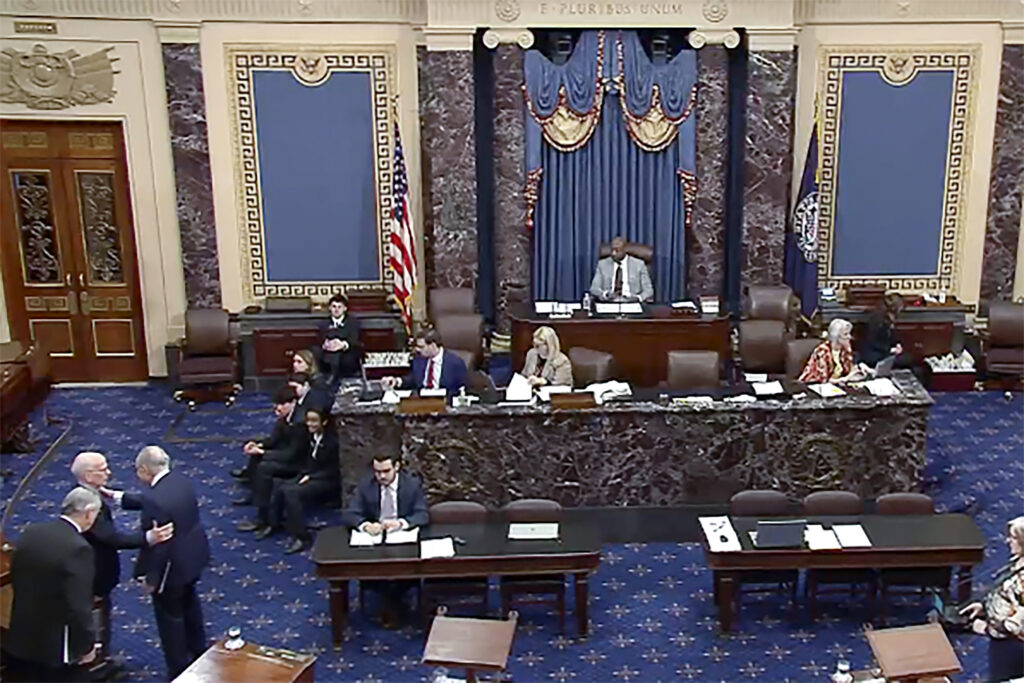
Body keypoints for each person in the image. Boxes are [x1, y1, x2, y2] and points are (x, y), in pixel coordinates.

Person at [105, 446, 211, 679]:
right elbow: (152, 500)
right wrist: (118, 496)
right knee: (191, 604)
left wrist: (151, 578)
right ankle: (200, 652)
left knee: (170, 619)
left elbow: (159, 544)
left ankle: (178, 669)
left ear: (144, 470)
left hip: (170, 569)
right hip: (193, 558)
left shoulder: (156, 500)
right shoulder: (180, 481)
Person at [70, 452, 174, 674]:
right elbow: (111, 538)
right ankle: (95, 664)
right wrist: (149, 538)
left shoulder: (87, 495)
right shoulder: (87, 505)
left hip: (98, 570)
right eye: (103, 469)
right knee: (96, 619)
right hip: (94, 574)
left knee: (102, 615)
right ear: (88, 475)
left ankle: (99, 658)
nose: (108, 472)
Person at [3, 487, 102, 682]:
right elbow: (79, 606)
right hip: (55, 646)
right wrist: (87, 645)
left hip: (22, 633)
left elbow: (17, 575)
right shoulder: (79, 548)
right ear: (89, 513)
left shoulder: (32, 532)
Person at [342, 454, 428, 627]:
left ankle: (391, 607)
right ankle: (392, 606)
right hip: (373, 541)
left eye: (386, 471)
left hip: (402, 539)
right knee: (377, 573)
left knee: (402, 572)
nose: (381, 476)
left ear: (397, 467)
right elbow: (351, 514)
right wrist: (365, 525)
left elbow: (422, 514)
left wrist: (401, 523)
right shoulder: (366, 485)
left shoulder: (411, 485)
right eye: (377, 472)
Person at [267, 407, 341, 554]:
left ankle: (302, 536)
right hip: (309, 474)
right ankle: (273, 523)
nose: (310, 424)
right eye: (308, 420)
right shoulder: (309, 436)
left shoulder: (333, 442)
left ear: (324, 422)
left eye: (314, 421)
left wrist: (310, 477)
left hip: (327, 480)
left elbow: (334, 470)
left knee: (291, 493)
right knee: (278, 484)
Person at [960, 516, 1024, 682]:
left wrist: (985, 628)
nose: (1008, 541)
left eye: (1014, 538)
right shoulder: (1018, 561)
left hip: (1014, 644)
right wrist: (983, 606)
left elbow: (1015, 625)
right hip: (1002, 638)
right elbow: (1004, 590)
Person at [231, 386, 303, 504]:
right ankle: (253, 493)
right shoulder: (284, 417)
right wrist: (258, 445)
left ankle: (262, 507)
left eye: (282, 404)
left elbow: (292, 454)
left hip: (296, 462)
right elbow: (273, 439)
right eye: (277, 405)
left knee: (264, 467)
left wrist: (264, 452)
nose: (278, 408)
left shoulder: (299, 423)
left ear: (293, 403)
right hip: (285, 452)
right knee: (256, 455)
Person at [860, 292, 932, 386]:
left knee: (921, 364)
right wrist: (890, 349)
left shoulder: (887, 319)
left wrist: (897, 345)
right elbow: (872, 343)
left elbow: (891, 338)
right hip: (875, 355)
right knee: (912, 361)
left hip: (886, 353)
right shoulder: (876, 321)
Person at [381, 325, 467, 394]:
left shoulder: (455, 363)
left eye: (421, 347)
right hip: (421, 403)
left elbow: (462, 390)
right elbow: (413, 379)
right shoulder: (419, 359)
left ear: (433, 345)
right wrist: (396, 381)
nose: (418, 350)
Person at [314, 293, 362, 386]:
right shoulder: (324, 323)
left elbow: (354, 339)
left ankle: (333, 377)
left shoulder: (353, 322)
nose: (336, 310)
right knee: (318, 351)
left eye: (339, 307)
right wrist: (326, 344)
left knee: (340, 355)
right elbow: (320, 339)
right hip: (328, 351)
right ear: (329, 308)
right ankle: (331, 378)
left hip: (346, 351)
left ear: (345, 309)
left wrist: (342, 345)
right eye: (334, 307)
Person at [798, 318, 866, 383]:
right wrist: (845, 379)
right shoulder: (823, 351)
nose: (849, 337)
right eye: (845, 334)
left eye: (849, 333)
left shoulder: (845, 349)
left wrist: (859, 367)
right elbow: (823, 380)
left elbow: (849, 369)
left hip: (837, 387)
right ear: (836, 336)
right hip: (815, 387)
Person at [589, 236, 654, 303]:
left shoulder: (639, 265)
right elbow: (594, 288)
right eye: (612, 250)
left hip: (631, 303)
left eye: (617, 251)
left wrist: (638, 298)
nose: (613, 253)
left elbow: (649, 290)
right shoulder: (602, 264)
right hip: (609, 303)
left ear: (625, 249)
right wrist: (606, 294)